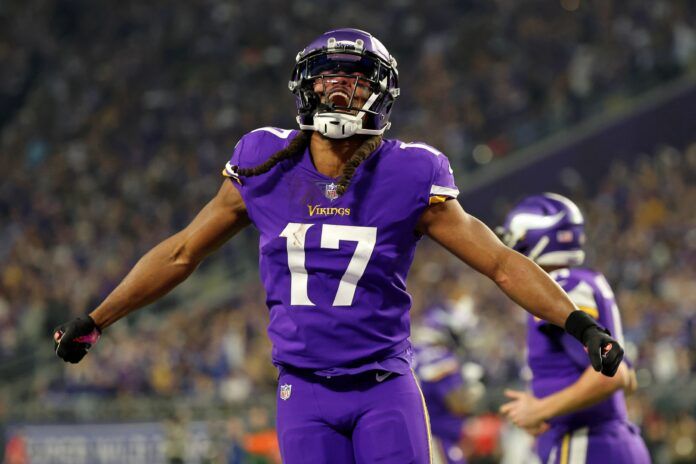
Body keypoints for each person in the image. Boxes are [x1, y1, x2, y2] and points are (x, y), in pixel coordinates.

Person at [53, 29, 623, 464]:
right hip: (302, 389)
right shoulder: (264, 161)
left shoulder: (410, 172)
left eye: (356, 77)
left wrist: (579, 324)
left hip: (384, 386)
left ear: (381, 93)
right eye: (328, 75)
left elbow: (499, 263)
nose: (341, 87)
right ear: (305, 85)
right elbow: (182, 253)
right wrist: (97, 320)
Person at [497, 193, 650, 464]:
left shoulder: (562, 287)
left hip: (587, 444)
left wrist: (541, 409)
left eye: (515, 243)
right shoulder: (585, 281)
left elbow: (613, 376)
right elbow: (628, 379)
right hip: (609, 441)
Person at [413, 300, 484, 464]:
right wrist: (472, 393)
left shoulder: (412, 352)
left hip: (413, 436)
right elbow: (457, 405)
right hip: (437, 439)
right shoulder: (443, 359)